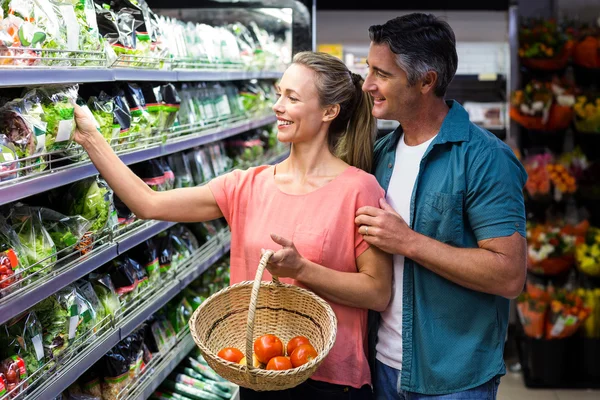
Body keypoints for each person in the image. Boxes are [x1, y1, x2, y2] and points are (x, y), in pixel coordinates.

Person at [73, 51, 392, 399]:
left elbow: (377, 292)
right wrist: (91, 138)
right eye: (278, 94)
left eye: (292, 98)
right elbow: (147, 204)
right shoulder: (246, 185)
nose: (278, 107)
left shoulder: (358, 189)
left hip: (331, 384)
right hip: (256, 375)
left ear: (330, 112)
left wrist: (304, 269)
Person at [353, 13, 528, 400]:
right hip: (380, 366)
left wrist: (408, 241)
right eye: (369, 70)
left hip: (454, 379)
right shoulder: (380, 155)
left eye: (382, 73)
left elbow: (509, 274)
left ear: (426, 81)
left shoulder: (484, 158)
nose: (368, 85)